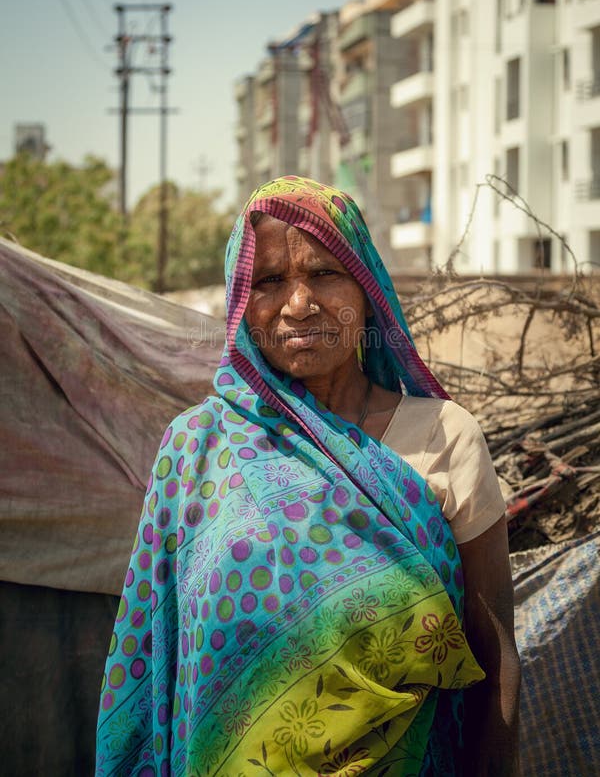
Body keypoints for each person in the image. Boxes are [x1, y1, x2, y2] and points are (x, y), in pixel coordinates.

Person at [96, 176, 521, 776]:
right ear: (242, 301)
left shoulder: (444, 437)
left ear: (366, 289)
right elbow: (152, 654)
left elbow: (494, 648)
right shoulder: (195, 449)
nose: (299, 304)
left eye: (324, 273)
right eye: (270, 281)